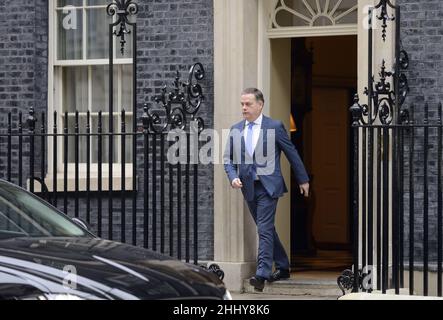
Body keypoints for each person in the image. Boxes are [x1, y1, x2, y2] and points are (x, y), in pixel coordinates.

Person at [223, 88, 310, 291]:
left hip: (269, 186)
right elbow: (228, 160)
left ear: (260, 105)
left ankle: (262, 273)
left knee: (263, 228)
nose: (244, 108)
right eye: (242, 104)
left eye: (248, 104)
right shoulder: (236, 129)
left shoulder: (275, 126)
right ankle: (283, 266)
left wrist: (303, 179)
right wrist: (233, 177)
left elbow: (291, 153)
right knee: (267, 227)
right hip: (248, 188)